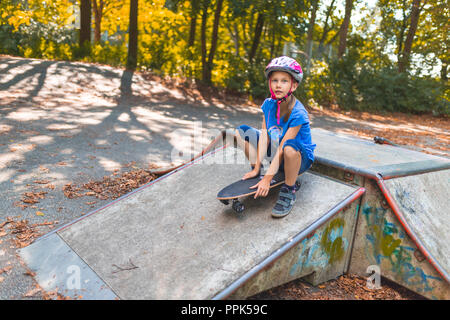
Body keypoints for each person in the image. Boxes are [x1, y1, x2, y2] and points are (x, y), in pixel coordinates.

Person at [235, 56, 316, 218]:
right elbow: (264, 137)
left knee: (289, 147)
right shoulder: (268, 105)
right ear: (270, 83)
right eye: (275, 80)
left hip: (298, 157)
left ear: (293, 85)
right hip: (278, 152)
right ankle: (257, 171)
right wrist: (258, 168)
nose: (278, 85)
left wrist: (268, 179)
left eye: (284, 81)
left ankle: (289, 188)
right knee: (241, 131)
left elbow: (282, 147)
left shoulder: (298, 112)